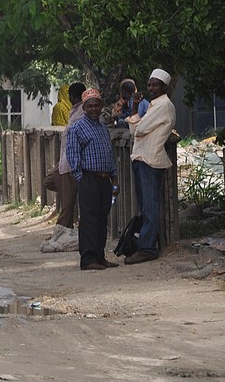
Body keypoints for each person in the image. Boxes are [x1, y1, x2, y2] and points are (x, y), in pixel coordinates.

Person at [125, 68, 176, 265]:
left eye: (155, 84)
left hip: (150, 159)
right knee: (146, 205)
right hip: (142, 158)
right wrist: (135, 109)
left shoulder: (163, 105)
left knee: (150, 206)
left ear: (164, 86)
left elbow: (139, 130)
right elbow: (135, 130)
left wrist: (136, 116)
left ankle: (147, 248)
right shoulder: (155, 105)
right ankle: (145, 245)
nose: (151, 88)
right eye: (149, 84)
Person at [65, 89, 119, 270]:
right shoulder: (77, 128)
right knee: (89, 219)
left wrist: (114, 178)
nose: (94, 109)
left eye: (97, 105)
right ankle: (88, 259)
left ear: (101, 106)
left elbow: (110, 154)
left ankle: (100, 256)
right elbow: (72, 156)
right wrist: (81, 178)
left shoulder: (103, 127)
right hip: (88, 178)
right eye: (90, 106)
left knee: (102, 219)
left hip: (104, 179)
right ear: (84, 108)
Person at [49, 82, 87, 244]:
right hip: (64, 161)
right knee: (50, 181)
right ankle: (66, 230)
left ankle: (60, 232)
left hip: (73, 162)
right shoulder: (72, 110)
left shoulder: (83, 111)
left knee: (68, 203)